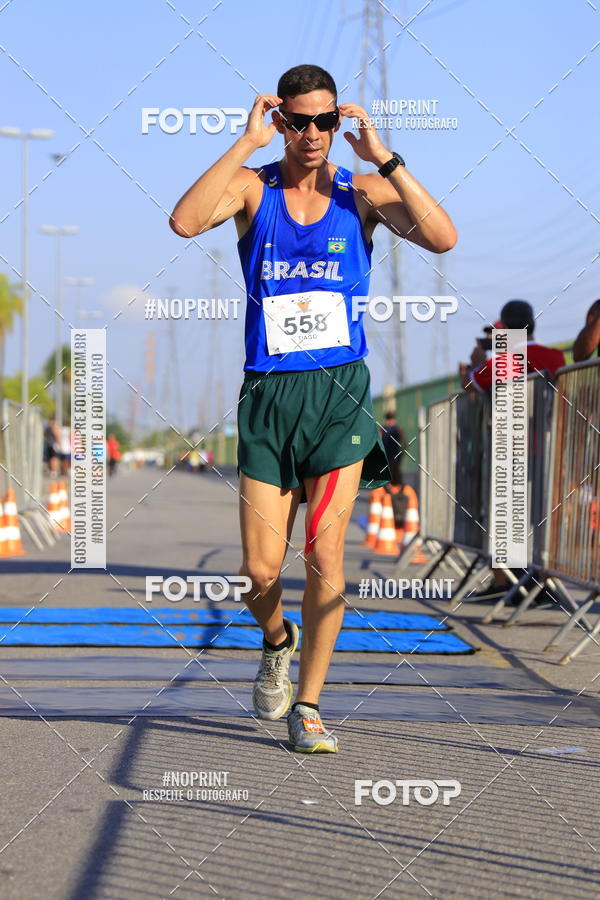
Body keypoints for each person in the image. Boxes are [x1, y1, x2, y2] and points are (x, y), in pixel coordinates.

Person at [170, 64, 456, 752]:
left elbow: (442, 237)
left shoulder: (362, 192)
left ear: (339, 123)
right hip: (268, 397)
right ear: (281, 121)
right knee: (260, 572)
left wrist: (384, 154)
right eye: (297, 121)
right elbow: (183, 222)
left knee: (327, 558)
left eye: (326, 121)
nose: (312, 134)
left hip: (338, 396)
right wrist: (242, 143)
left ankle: (310, 705)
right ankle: (276, 639)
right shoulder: (252, 188)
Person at [460, 299, 566, 391]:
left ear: (505, 328)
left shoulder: (503, 362)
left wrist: (476, 364)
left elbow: (467, 384)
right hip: (555, 414)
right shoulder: (557, 355)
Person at [380, 411, 406, 486]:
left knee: (387, 479)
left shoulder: (382, 429)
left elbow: (378, 442)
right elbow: (404, 443)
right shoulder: (398, 428)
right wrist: (402, 454)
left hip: (386, 457)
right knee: (396, 479)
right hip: (396, 457)